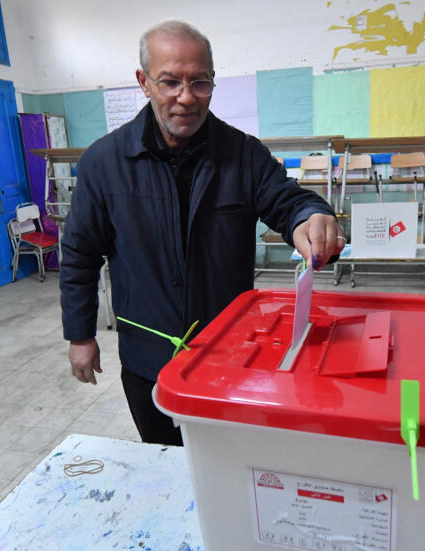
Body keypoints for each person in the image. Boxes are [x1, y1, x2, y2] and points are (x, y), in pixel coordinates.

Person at [59, 20, 343, 446]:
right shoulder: (104, 163)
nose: (186, 98)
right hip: (146, 359)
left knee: (231, 463)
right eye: (170, 82)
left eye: (200, 82)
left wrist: (312, 217)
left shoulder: (243, 154)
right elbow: (80, 255)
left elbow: (288, 202)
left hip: (232, 356)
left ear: (213, 80)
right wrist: (80, 335)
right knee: (164, 463)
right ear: (144, 82)